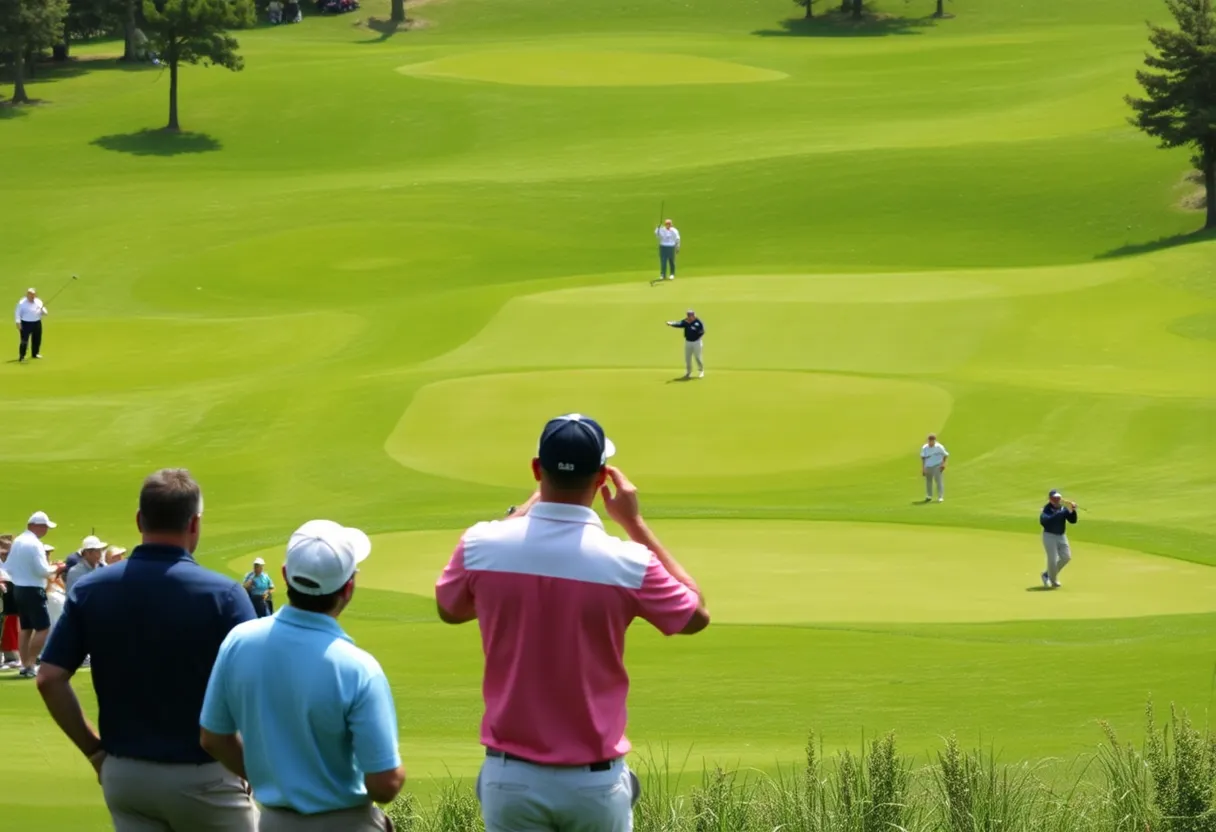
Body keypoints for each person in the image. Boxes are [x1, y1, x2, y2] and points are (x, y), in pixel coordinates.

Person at [436, 413, 710, 832]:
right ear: (603, 478)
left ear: (535, 469)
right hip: (594, 784)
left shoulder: (481, 545)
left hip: (511, 779)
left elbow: (451, 608)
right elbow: (695, 615)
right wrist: (633, 523)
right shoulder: (628, 563)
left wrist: (525, 509)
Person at [37, 469, 259, 832]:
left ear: (140, 519)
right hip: (206, 776)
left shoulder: (91, 590)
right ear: (195, 523)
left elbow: (49, 678)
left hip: (126, 777)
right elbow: (255, 691)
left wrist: (94, 751)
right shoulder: (225, 596)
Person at [202, 520, 405, 831]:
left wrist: (269, 776)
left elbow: (214, 738)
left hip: (273, 822)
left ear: (284, 575)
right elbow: (385, 784)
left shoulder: (239, 642)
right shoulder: (358, 668)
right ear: (348, 588)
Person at [7, 511, 64, 678]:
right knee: (43, 627)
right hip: (33, 589)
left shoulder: (18, 541)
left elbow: (9, 566)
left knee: (26, 628)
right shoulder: (35, 544)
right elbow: (43, 571)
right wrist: (58, 568)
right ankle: (31, 664)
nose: (46, 530)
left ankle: (25, 665)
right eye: (44, 527)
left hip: (19, 589)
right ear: (35, 526)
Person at [1039, 489, 1078, 589]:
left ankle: (1047, 574)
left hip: (1061, 536)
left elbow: (1072, 521)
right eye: (1054, 499)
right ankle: (1053, 580)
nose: (1056, 500)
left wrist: (1073, 511)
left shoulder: (1063, 509)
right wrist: (1060, 514)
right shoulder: (1046, 509)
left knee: (1066, 557)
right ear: (1050, 500)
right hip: (1049, 536)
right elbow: (1045, 521)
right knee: (1052, 559)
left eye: (1058, 498)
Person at [666, 309, 705, 379]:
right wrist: (672, 324)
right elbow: (680, 324)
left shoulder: (698, 322)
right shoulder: (686, 321)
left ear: (693, 315)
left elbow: (702, 332)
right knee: (688, 358)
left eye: (690, 316)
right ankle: (688, 372)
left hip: (697, 342)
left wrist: (696, 338)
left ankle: (701, 371)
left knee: (697, 357)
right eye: (688, 316)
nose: (689, 317)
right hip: (688, 342)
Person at [0, 534, 20, 669]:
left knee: (12, 626)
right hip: (4, 598)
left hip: (12, 597)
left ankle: (11, 656)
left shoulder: (14, 561)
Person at [15, 287, 49, 361]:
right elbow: (17, 313)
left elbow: (45, 312)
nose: (32, 296)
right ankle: (22, 356)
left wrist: (43, 311)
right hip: (25, 323)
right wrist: (18, 322)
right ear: (27, 295)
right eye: (30, 295)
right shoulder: (22, 303)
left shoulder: (38, 301)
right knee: (24, 341)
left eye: (33, 295)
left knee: (37, 339)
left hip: (37, 322)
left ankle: (35, 354)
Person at [920, 434, 949, 502]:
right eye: (929, 441)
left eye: (932, 441)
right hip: (928, 466)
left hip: (937, 465)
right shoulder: (925, 448)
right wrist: (923, 468)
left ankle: (940, 497)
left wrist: (943, 464)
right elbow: (923, 458)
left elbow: (945, 455)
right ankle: (929, 496)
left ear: (934, 441)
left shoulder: (939, 447)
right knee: (928, 481)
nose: (930, 443)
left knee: (938, 481)